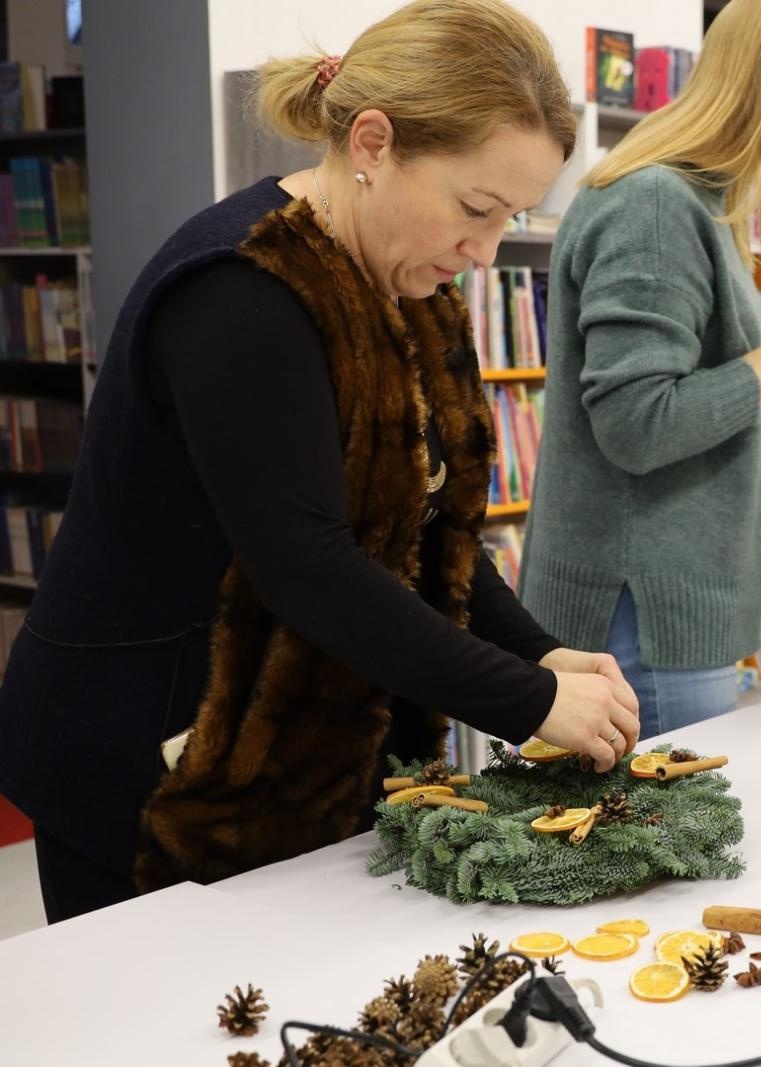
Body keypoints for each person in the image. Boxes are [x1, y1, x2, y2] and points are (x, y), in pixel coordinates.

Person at [0, 0, 647, 924]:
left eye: (511, 216)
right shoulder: (241, 290)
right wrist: (527, 696)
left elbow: (430, 530)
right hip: (148, 763)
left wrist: (536, 649)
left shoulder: (404, 279)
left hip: (288, 759)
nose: (486, 251)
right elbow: (309, 566)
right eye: (475, 208)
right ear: (373, 143)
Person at [518, 0, 761, 738]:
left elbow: (666, 401)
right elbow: (639, 426)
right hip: (643, 618)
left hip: (658, 609)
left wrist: (753, 479)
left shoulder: (690, 201)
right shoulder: (655, 206)